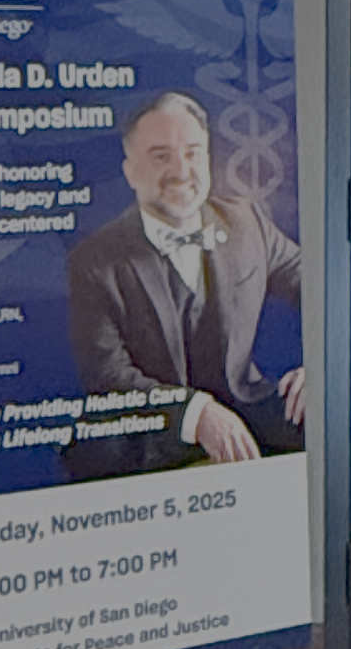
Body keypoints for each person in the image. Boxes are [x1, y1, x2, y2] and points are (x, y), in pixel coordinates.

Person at [65, 89, 304, 475]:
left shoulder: (246, 222)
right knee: (98, 454)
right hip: (150, 431)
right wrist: (197, 413)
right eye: (161, 156)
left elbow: (317, 287)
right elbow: (106, 373)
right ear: (131, 171)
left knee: (320, 414)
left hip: (245, 406)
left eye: (192, 152)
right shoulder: (94, 259)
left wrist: (321, 370)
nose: (181, 170)